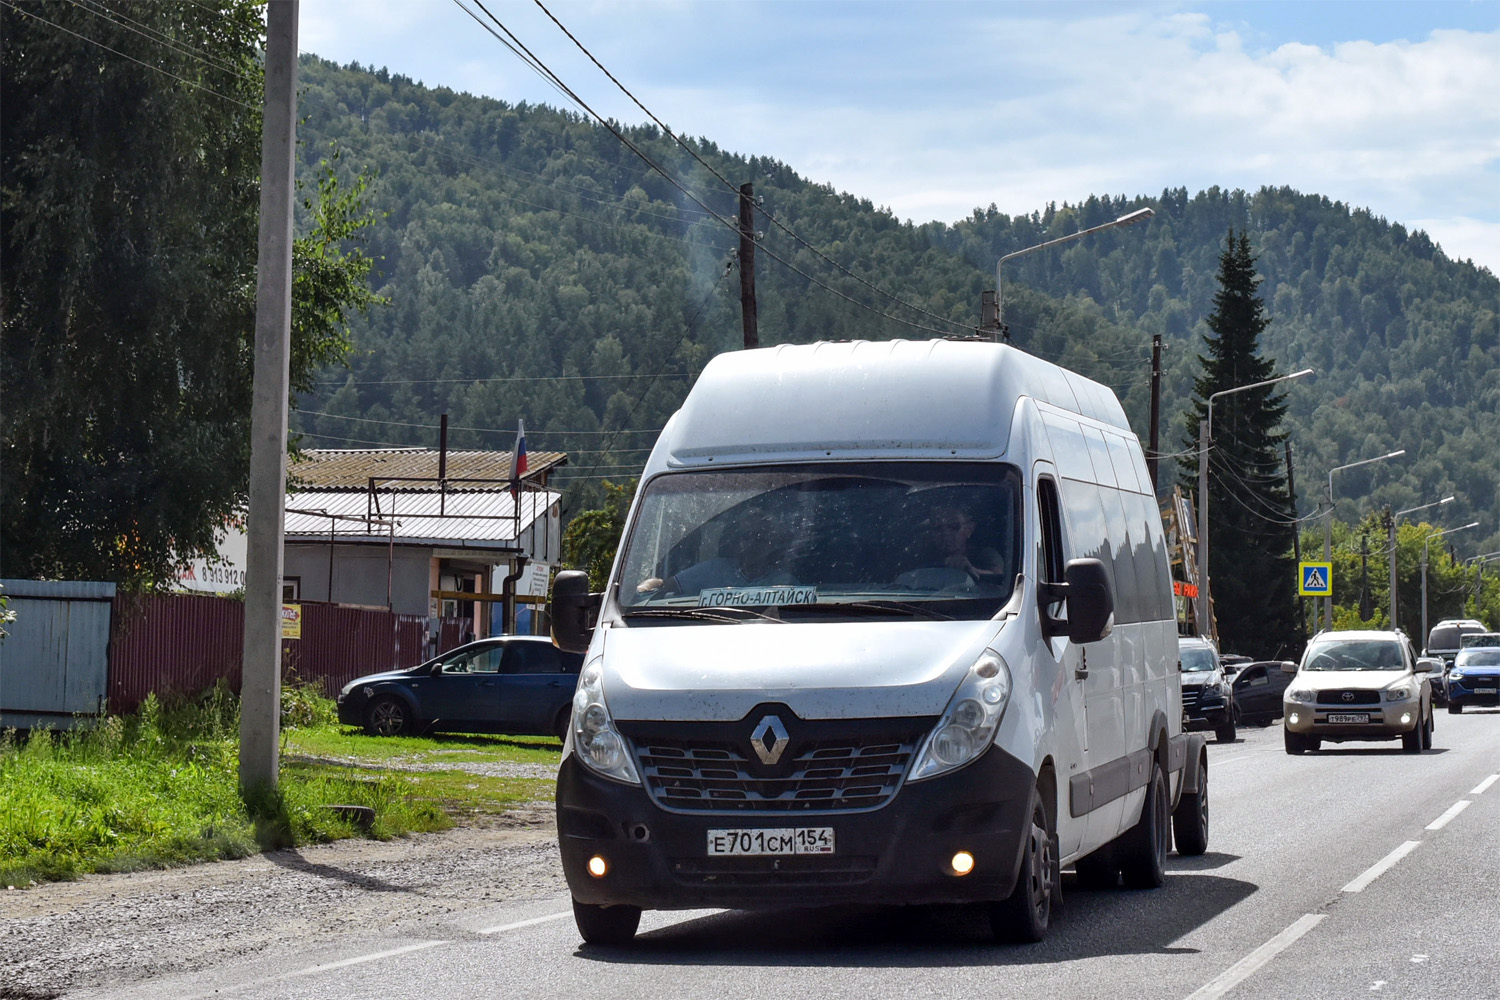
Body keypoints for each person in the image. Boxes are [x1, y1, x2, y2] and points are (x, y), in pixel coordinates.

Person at [636, 506, 796, 597]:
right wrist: (649, 586)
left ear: (771, 544)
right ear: (737, 541)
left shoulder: (784, 580)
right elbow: (667, 586)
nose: (753, 543)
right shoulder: (713, 569)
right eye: (747, 536)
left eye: (760, 538)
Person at [896, 503, 1007, 590]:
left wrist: (972, 570)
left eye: (954, 527)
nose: (945, 534)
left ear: (969, 529)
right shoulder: (919, 557)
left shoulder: (985, 555)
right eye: (938, 528)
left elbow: (999, 578)